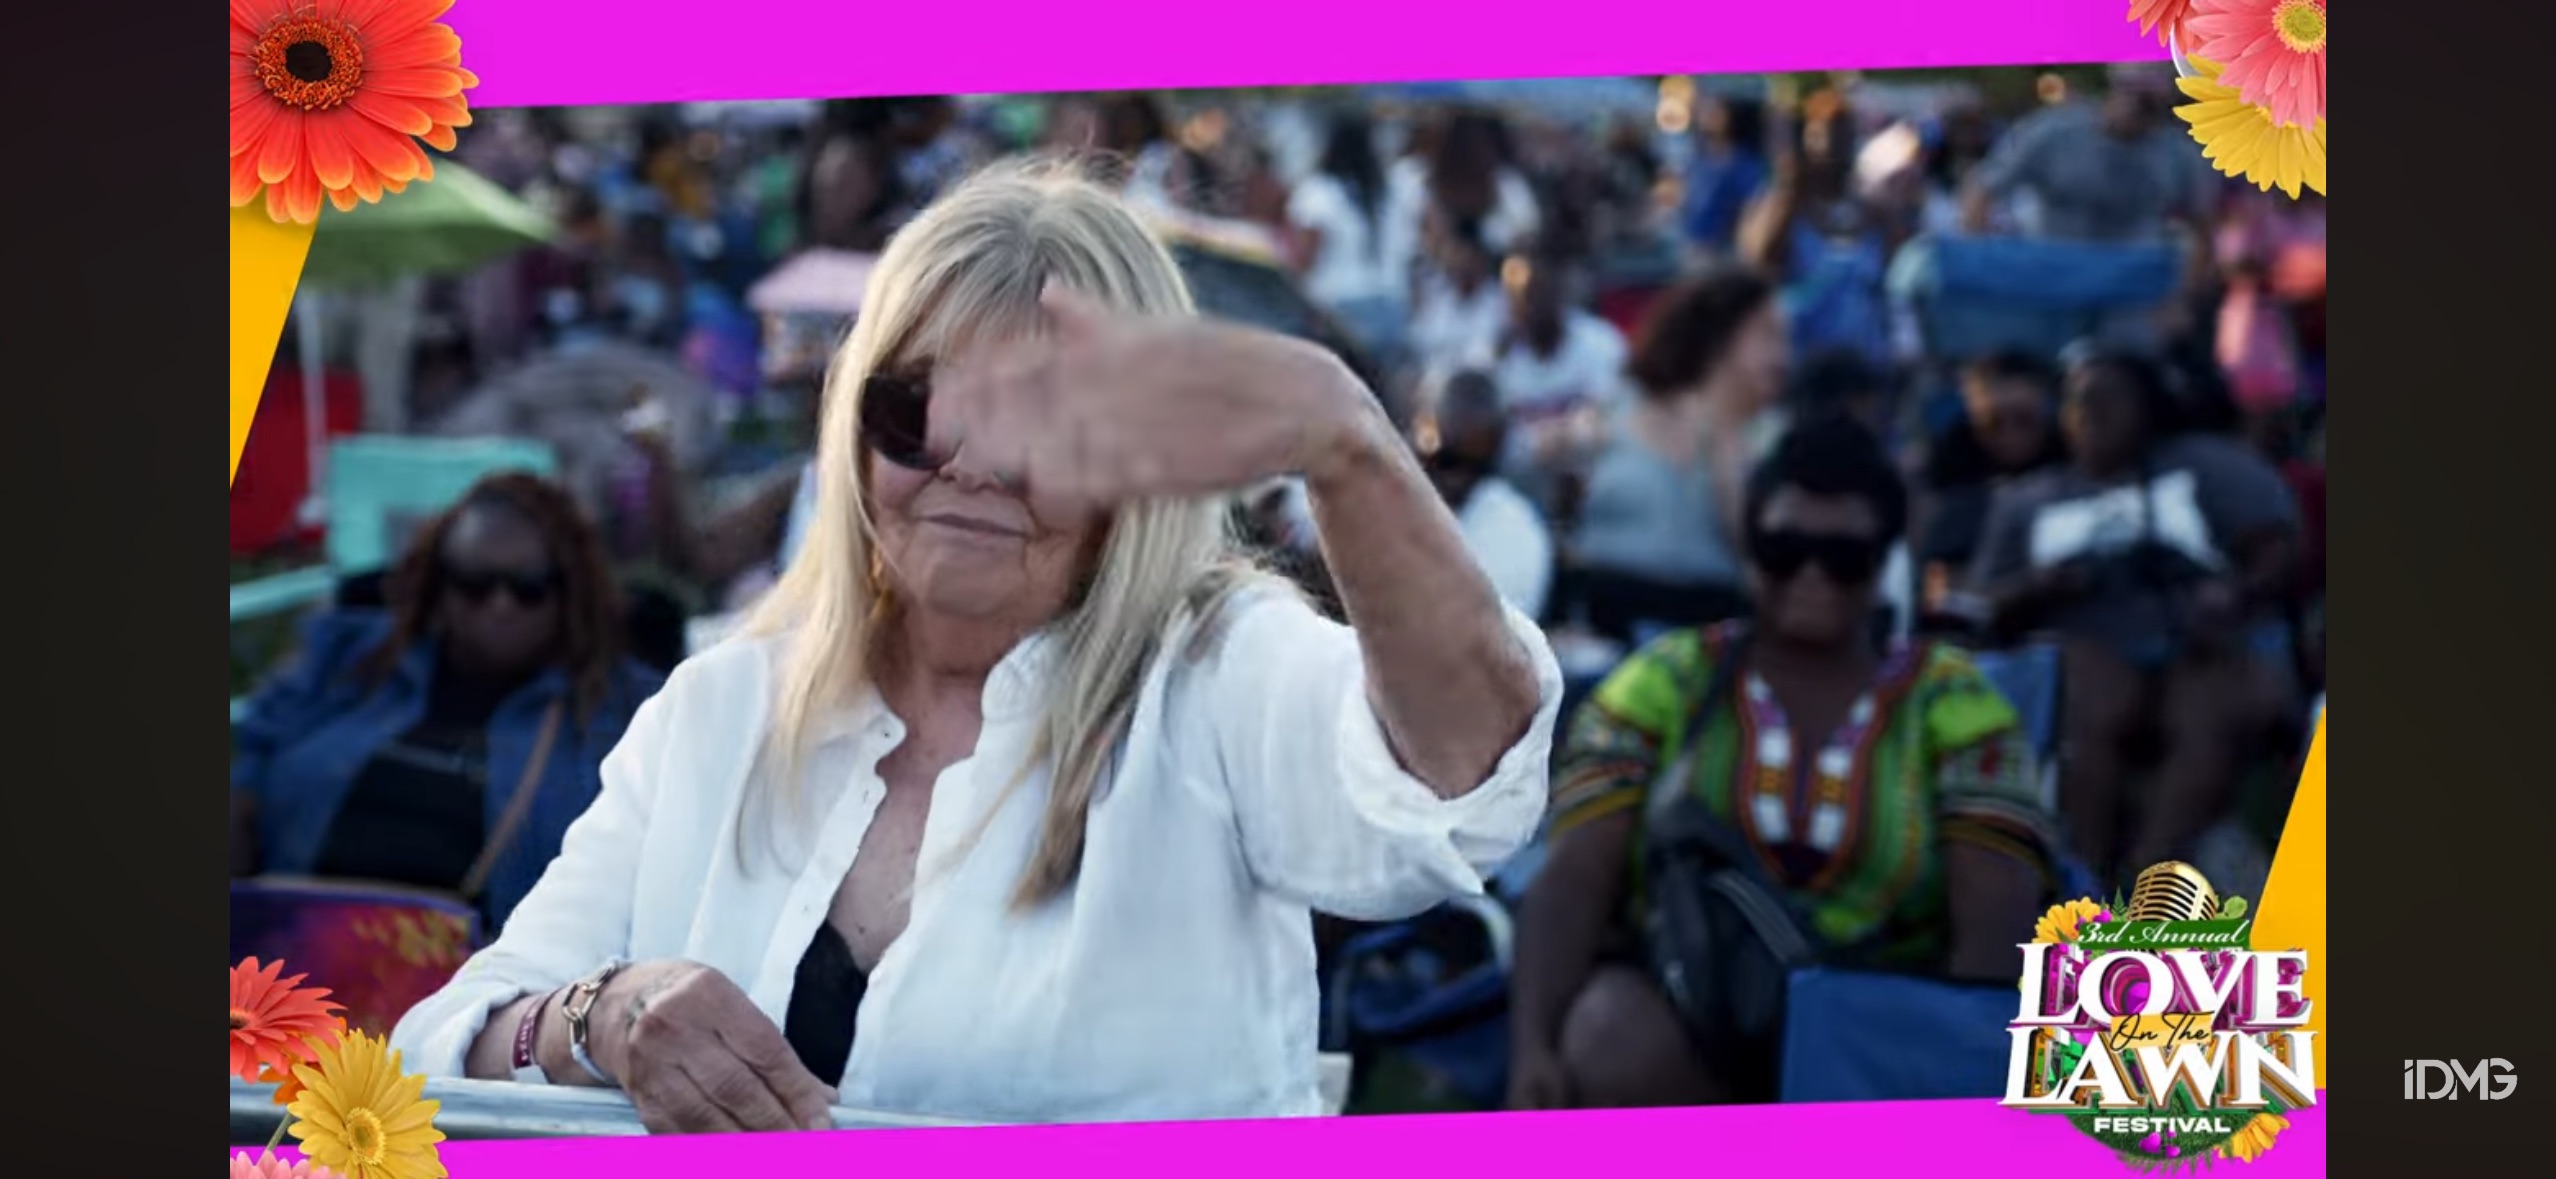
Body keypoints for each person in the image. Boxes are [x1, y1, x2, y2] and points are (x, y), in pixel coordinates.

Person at [392, 162, 1562, 1129]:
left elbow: (1463, 786)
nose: (968, 461)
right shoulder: (722, 709)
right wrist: (608, 1014)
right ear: (853, 430)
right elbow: (446, 1042)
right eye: (913, 409)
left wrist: (1343, 440)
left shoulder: (1216, 677)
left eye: (1033, 420)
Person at [1511, 417, 2053, 1109]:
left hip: (1881, 1039)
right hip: (1697, 1012)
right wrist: (1530, 1048)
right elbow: (1574, 879)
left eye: (1844, 554)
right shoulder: (1668, 680)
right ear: (1748, 549)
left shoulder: (1950, 698)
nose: (1811, 573)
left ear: (1885, 559)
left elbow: (1992, 935)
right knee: (1607, 1035)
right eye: (1783, 547)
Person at [231, 474, 667, 933]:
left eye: (529, 586)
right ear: (441, 585)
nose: (501, 605)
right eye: (475, 584)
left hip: (479, 978)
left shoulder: (622, 707)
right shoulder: (348, 656)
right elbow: (250, 773)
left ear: (570, 591)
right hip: (297, 947)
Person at [1966, 349, 2301, 888]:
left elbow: (2278, 547)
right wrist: (2041, 587)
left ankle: (2146, 874)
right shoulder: (2030, 499)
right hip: (2086, 644)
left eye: (2107, 399)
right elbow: (1981, 604)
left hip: (2200, 645)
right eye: (2076, 402)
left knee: (2209, 709)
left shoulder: (2202, 465)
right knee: (2087, 704)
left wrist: (2232, 592)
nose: (2089, 413)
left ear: (2147, 405)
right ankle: (2085, 882)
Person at [1566, 266, 1788, 644]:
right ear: (1721, 335)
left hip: (1708, 636)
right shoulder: (1620, 407)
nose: (1783, 356)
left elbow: (1762, 560)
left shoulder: (1774, 440)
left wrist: (1723, 443)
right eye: (1768, 335)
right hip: (1603, 627)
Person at [1960, 64, 2218, 245]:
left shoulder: (2175, 154)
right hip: (2049, 272)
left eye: (2151, 105)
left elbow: (2205, 223)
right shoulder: (2055, 131)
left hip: (2131, 288)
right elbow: (1982, 186)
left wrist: (2183, 297)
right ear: (2115, 90)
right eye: (2133, 96)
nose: (2138, 111)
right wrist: (1981, 257)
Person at [1738, 91, 1896, 370]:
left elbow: (1890, 281)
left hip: (1866, 367)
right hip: (1801, 368)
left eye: (1845, 135)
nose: (1835, 146)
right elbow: (1758, 260)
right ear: (1807, 141)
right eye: (1823, 135)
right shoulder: (1783, 202)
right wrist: (1789, 194)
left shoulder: (1874, 209)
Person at [1912, 349, 2069, 619]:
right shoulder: (1952, 492)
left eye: (2023, 420)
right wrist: (2022, 590)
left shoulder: (2076, 475)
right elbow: (1937, 594)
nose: (2010, 437)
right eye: (1993, 423)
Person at [1423, 371, 1557, 620]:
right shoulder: (1384, 497)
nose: (1457, 477)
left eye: (1475, 466)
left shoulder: (1518, 531)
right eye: (1447, 459)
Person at [1288, 111, 1406, 368]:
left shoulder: (1318, 192)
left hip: (1340, 315)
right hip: (1390, 309)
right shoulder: (1387, 192)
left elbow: (1305, 260)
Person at [1407, 211, 1511, 377]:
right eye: (1454, 254)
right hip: (1438, 385)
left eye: (1466, 256)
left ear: (1480, 258)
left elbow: (1497, 354)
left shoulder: (1501, 301)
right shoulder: (1434, 296)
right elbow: (1421, 348)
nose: (1460, 263)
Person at [1680, 95, 1770, 257]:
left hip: (1724, 255)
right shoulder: (1698, 160)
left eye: (1716, 109)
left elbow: (1751, 211)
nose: (1707, 113)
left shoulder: (1745, 164)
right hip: (1693, 250)